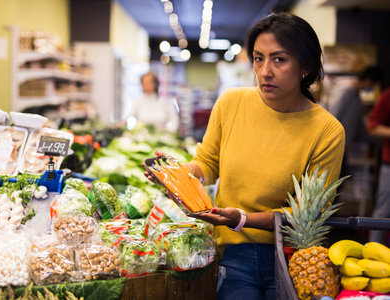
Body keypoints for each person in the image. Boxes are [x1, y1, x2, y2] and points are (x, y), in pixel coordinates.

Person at [143, 12, 345, 300]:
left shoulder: (327, 131)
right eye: (258, 58)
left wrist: (241, 218)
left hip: (291, 258)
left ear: (306, 66)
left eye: (279, 59)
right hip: (232, 253)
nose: (265, 71)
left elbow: (307, 215)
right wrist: (179, 175)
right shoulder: (231, 102)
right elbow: (209, 160)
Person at [329, 66, 383, 177]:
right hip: (332, 147)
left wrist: (378, 138)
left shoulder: (358, 99)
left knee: (338, 183)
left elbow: (359, 128)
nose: (373, 88)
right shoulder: (345, 92)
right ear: (368, 81)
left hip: (342, 148)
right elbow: (331, 117)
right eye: (374, 85)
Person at [368, 87, 390, 245]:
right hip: (389, 166)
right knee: (383, 213)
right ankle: (373, 255)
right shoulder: (388, 95)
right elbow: (373, 127)